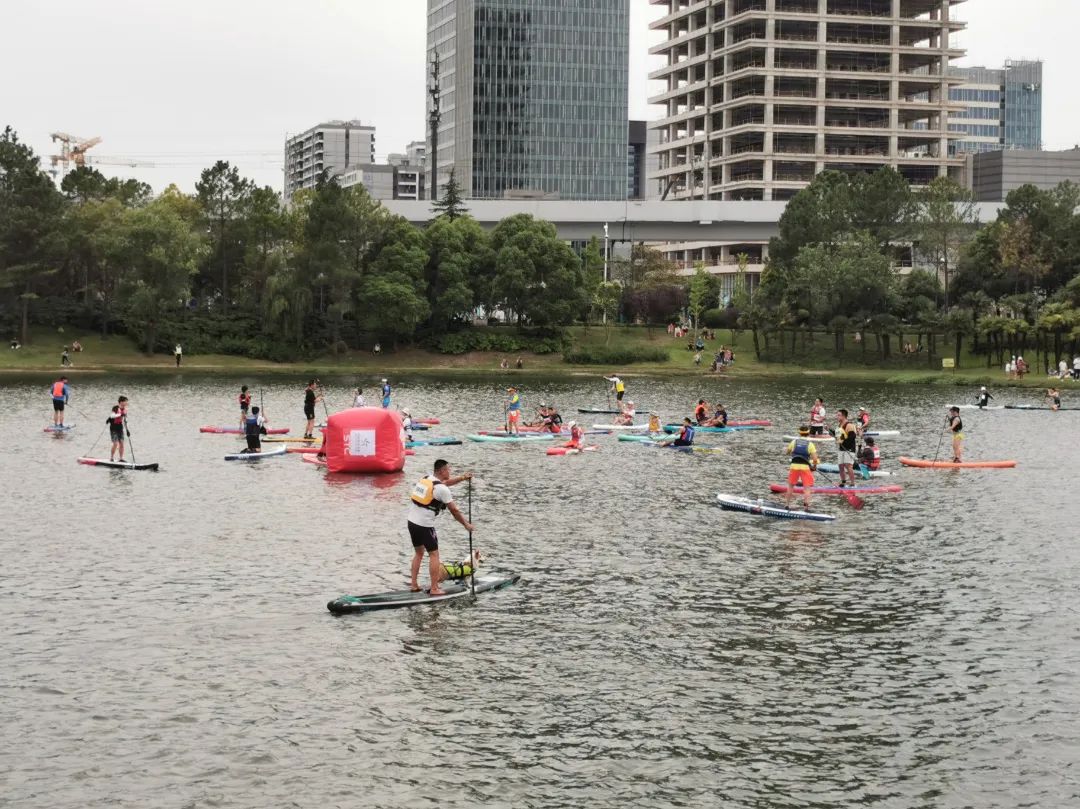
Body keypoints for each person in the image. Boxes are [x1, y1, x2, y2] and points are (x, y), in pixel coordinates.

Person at [407, 459, 475, 595]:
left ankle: (414, 585)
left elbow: (444, 484)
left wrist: (462, 478)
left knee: (419, 553)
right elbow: (454, 511)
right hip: (425, 526)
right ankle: (434, 588)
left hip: (412, 522)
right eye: (448, 469)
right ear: (441, 471)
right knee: (434, 554)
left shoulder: (426, 479)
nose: (449, 471)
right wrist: (466, 525)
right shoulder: (443, 490)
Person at [785, 426, 819, 511]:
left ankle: (786, 505)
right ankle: (806, 507)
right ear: (808, 434)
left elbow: (787, 452)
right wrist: (814, 467)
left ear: (799, 433)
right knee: (807, 488)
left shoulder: (794, 442)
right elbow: (815, 459)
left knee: (790, 486)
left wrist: (789, 451)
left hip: (794, 466)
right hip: (805, 467)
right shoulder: (810, 444)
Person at [835, 409, 858, 487]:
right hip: (841, 448)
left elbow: (852, 437)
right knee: (840, 465)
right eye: (837, 415)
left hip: (849, 449)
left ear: (843, 416)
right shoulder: (839, 425)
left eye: (838, 415)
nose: (837, 417)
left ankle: (852, 483)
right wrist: (829, 430)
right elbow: (838, 436)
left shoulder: (850, 425)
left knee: (848, 466)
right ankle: (843, 481)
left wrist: (843, 442)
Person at [107, 397, 128, 462]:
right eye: (125, 401)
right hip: (113, 427)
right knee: (115, 443)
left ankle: (121, 458)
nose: (126, 403)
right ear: (121, 402)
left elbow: (125, 420)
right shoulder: (115, 408)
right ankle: (111, 458)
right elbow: (112, 416)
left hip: (120, 427)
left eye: (126, 401)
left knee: (121, 443)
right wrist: (120, 414)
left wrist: (127, 430)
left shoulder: (125, 409)